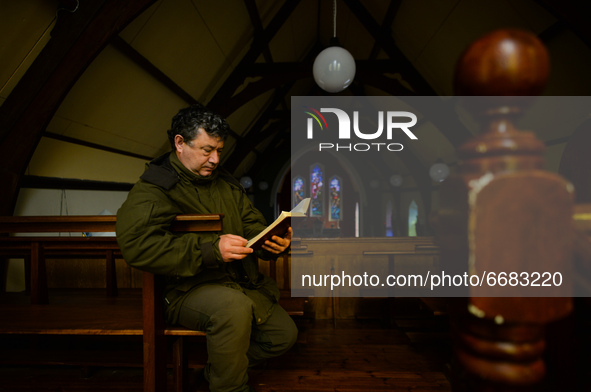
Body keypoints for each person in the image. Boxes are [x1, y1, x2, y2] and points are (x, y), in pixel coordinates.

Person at [116, 104, 298, 392]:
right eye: (206, 150)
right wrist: (212, 249)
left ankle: (216, 372)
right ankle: (230, 387)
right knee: (232, 308)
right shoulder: (156, 187)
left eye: (219, 151)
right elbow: (137, 245)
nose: (215, 159)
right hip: (184, 289)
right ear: (179, 143)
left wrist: (272, 244)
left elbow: (251, 224)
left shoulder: (225, 183)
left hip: (238, 282)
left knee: (283, 336)